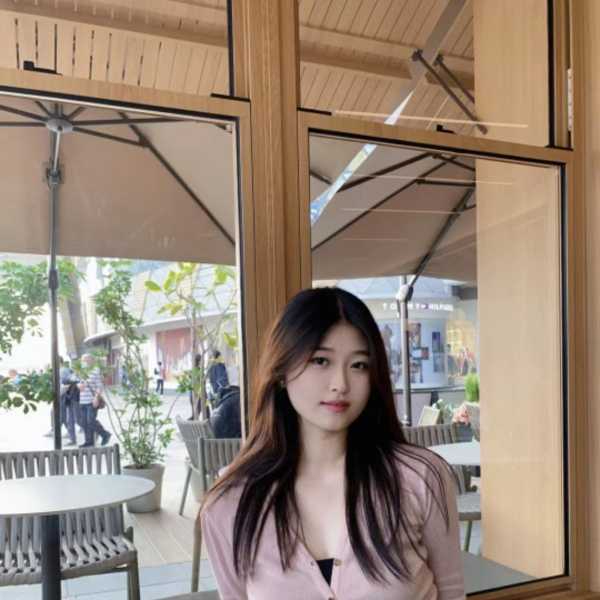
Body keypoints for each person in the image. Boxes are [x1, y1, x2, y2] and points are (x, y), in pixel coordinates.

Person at [200, 287, 464, 599]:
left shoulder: (420, 478)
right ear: (282, 370)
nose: (341, 384)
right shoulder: (231, 503)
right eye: (321, 360)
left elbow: (451, 593)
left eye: (359, 365)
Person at [78, 353, 111, 447]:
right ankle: (89, 442)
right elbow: (79, 383)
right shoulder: (81, 372)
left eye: (86, 360)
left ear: (91, 361)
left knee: (91, 421)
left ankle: (105, 434)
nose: (84, 362)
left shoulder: (96, 371)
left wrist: (96, 397)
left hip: (92, 400)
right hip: (82, 400)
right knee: (84, 422)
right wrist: (78, 385)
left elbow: (99, 386)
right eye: (82, 360)